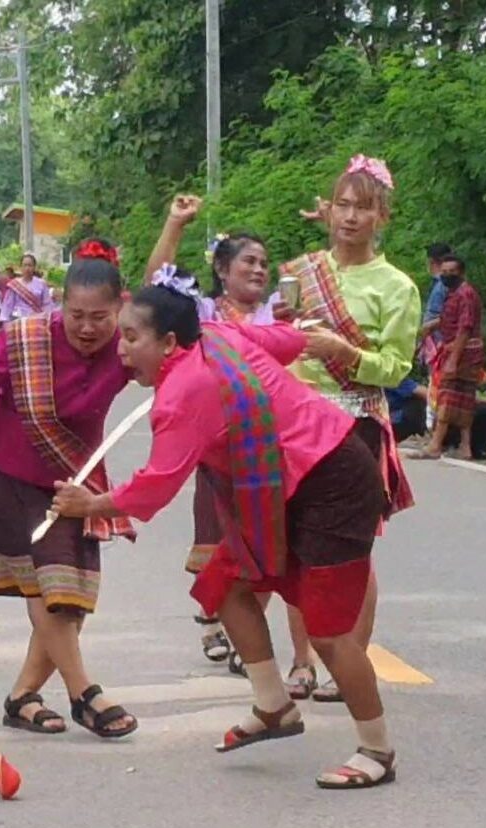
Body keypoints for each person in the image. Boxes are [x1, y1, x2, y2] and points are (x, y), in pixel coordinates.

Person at [52, 267, 397, 788]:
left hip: (332, 481)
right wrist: (308, 337)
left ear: (169, 342)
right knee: (227, 587)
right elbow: (282, 341)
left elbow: (156, 487)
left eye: (130, 337)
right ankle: (273, 704)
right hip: (284, 488)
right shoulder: (219, 334)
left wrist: (89, 503)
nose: (120, 350)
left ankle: (378, 750)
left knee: (328, 634)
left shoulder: (183, 393)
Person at [0, 258, 138, 740]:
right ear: (60, 306)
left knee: (71, 592)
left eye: (99, 318)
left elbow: (183, 358)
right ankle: (84, 694)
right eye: (76, 315)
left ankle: (23, 697)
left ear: (119, 310)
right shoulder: (25, 340)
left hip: (70, 475)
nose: (87, 328)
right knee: (47, 586)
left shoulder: (130, 344)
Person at [145, 195, 315, 694]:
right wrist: (175, 222)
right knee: (231, 547)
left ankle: (293, 659)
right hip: (225, 450)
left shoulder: (276, 315)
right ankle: (227, 626)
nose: (259, 271)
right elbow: (156, 284)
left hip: (279, 449)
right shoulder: (199, 314)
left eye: (264, 263)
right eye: (248, 261)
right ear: (222, 268)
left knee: (283, 551)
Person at [282, 154, 420, 703]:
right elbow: (279, 340)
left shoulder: (397, 287)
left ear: (383, 216)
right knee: (296, 545)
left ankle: (350, 661)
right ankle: (302, 661)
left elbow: (397, 368)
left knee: (349, 549)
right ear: (329, 209)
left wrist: (344, 351)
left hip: (355, 423)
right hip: (297, 423)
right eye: (342, 204)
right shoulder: (302, 271)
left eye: (364, 207)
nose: (350, 217)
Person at [423, 255, 485, 459]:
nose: (448, 275)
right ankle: (465, 447)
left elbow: (465, 328)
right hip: (459, 351)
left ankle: (435, 444)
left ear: (461, 273)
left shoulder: (466, 294)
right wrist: (430, 327)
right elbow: (449, 318)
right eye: (444, 272)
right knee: (465, 399)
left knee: (447, 398)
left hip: (463, 353)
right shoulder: (453, 293)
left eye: (452, 272)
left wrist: (452, 360)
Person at [417, 242, 452, 369]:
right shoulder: (440, 284)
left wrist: (428, 326)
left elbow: (453, 314)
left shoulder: (444, 285)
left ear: (431, 262)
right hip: (437, 345)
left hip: (442, 345)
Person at [0, 253, 52, 322]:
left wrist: (47, 318)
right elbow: (8, 305)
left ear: (34, 267)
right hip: (18, 320)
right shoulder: (15, 284)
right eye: (25, 265)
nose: (27, 268)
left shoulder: (41, 284)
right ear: (21, 267)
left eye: (30, 265)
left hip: (37, 321)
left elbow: (47, 304)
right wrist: (5, 321)